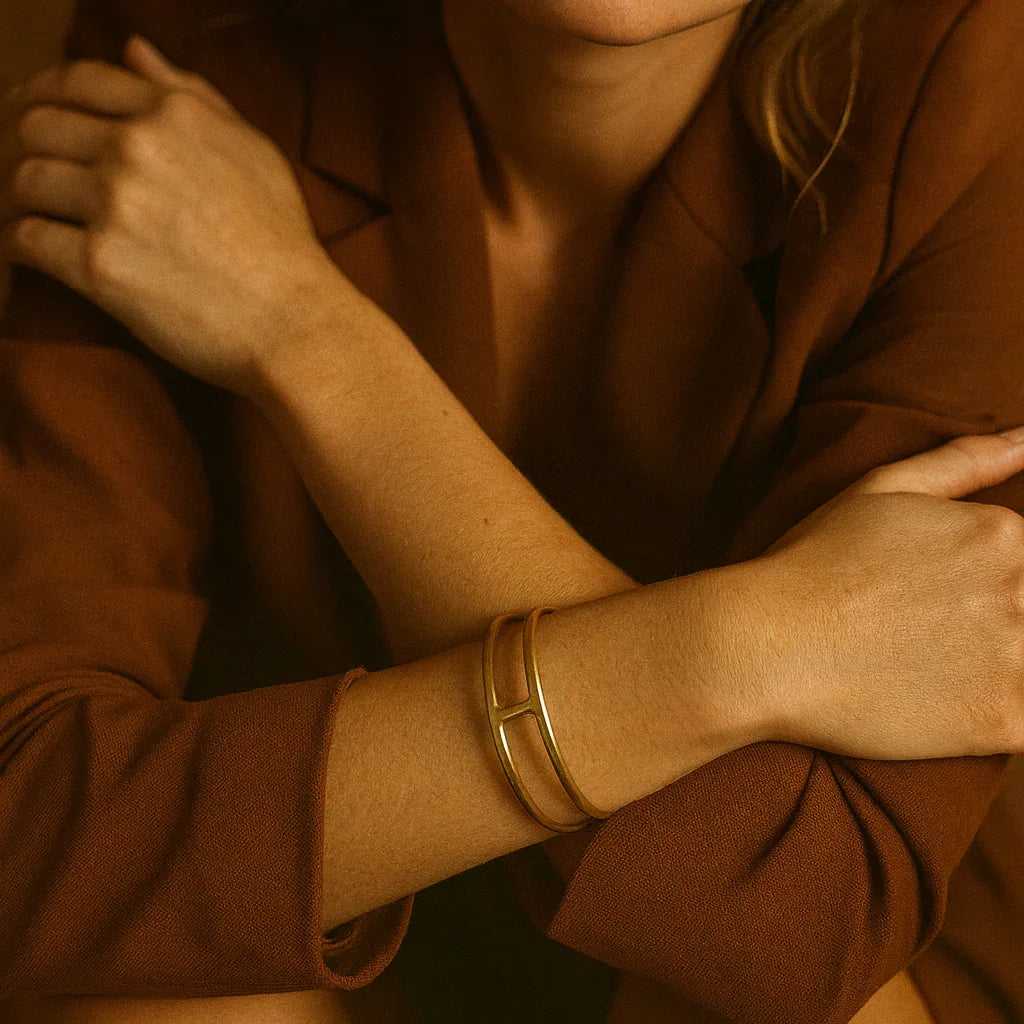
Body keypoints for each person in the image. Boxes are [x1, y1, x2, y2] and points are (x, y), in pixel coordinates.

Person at [0, 0, 1021, 1021]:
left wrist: (307, 339)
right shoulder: (198, 52)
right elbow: (28, 824)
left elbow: (797, 921)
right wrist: (748, 647)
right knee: (152, 993)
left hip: (863, 981)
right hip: (377, 950)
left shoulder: (973, 75)